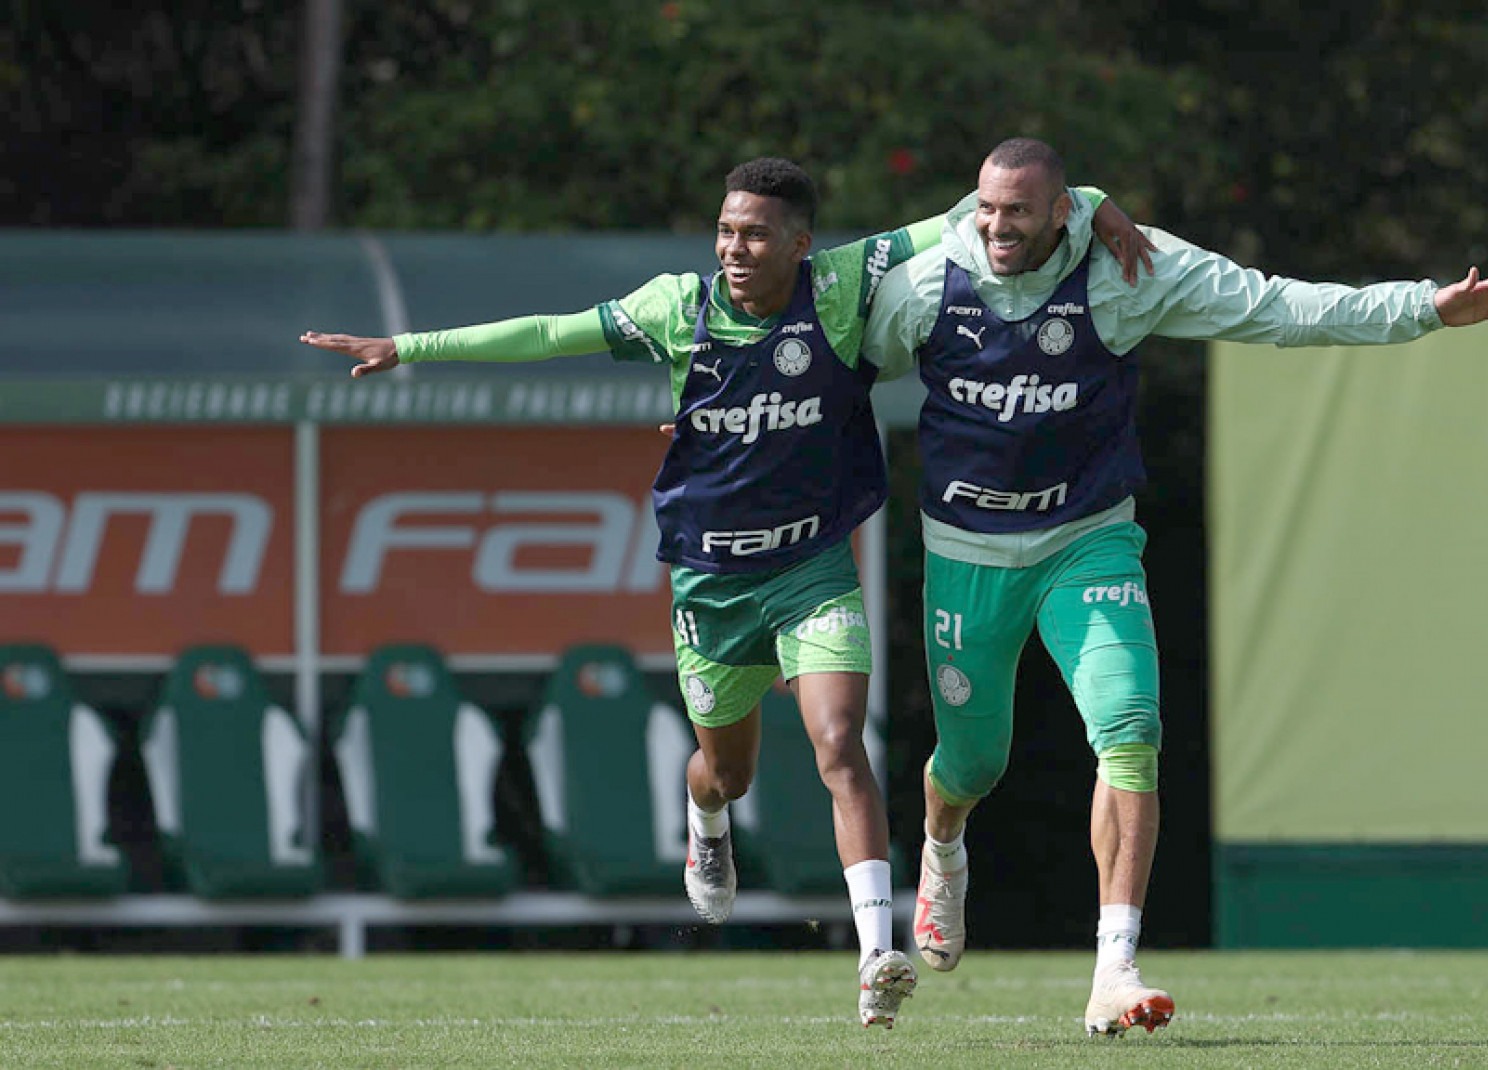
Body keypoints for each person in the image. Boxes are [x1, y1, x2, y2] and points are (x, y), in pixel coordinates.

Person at [300, 157, 1151, 1029]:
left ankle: (872, 956)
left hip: (813, 566)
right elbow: (555, 333)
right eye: (724, 231)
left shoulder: (841, 282)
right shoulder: (679, 307)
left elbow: (973, 213)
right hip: (713, 584)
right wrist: (408, 347)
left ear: (799, 242)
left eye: (753, 233)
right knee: (729, 771)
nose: (733, 249)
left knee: (837, 743)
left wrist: (1087, 201)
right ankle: (704, 819)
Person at [865, 137, 1488, 1037]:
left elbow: (1275, 307)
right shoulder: (923, 285)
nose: (996, 227)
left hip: (1086, 542)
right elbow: (833, 362)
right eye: (984, 208)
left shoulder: (1130, 269)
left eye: (1016, 212)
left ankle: (1115, 965)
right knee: (971, 765)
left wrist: (1423, 307)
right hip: (966, 551)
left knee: (1130, 729)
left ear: (1060, 211)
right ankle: (942, 848)